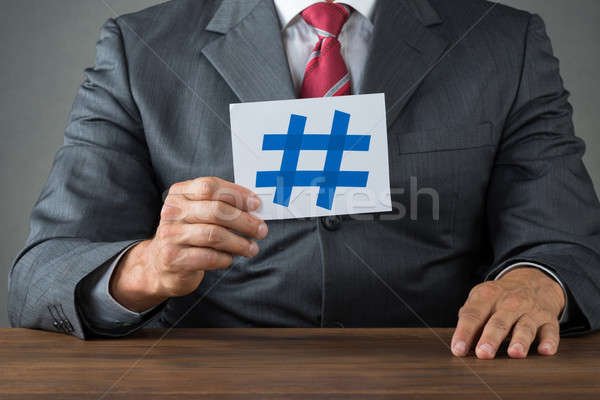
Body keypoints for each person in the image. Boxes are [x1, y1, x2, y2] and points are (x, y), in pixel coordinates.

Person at [8, 0, 600, 360]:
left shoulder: (506, 42)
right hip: (207, 380)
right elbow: (41, 276)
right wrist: (147, 267)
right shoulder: (140, 48)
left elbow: (565, 241)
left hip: (445, 369)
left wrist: (537, 282)